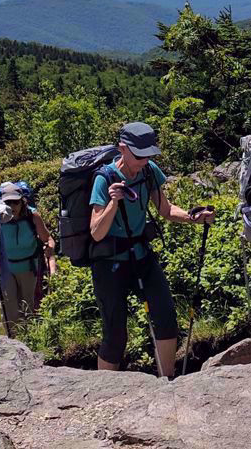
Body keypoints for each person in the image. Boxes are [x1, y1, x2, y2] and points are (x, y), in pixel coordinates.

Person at [88, 121, 214, 378]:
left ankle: (166, 382)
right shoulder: (105, 178)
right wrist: (113, 203)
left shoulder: (149, 171)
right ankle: (102, 392)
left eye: (148, 155)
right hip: (110, 263)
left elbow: (165, 210)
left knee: (166, 318)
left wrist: (193, 217)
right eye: (139, 155)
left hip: (142, 256)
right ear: (122, 148)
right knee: (115, 334)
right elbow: (96, 231)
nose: (144, 160)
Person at [0, 181, 55, 336]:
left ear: (22, 201)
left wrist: (51, 255)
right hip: (4, 270)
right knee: (9, 307)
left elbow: (48, 239)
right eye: (8, 202)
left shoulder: (33, 217)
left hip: (28, 267)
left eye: (16, 202)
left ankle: (33, 339)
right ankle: (15, 341)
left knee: (30, 307)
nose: (12, 206)